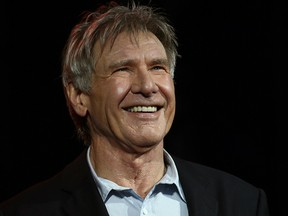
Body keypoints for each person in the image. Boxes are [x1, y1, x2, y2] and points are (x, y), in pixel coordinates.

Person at [0, 0, 270, 215]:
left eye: (157, 67)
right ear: (79, 95)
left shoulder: (242, 202)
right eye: (123, 68)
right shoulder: (25, 210)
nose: (147, 86)